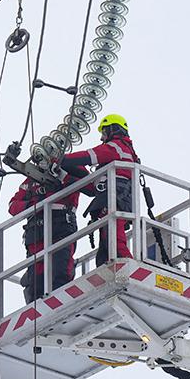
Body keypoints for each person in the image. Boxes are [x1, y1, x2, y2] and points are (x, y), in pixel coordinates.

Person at [58, 114, 139, 266]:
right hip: (112, 200)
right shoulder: (118, 156)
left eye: (103, 133)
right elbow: (91, 189)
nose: (102, 138)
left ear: (112, 129)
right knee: (107, 246)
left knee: (115, 240)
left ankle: (128, 266)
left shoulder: (116, 147)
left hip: (117, 200)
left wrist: (62, 159)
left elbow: (88, 156)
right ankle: (108, 266)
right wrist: (65, 176)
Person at [8, 175, 79, 302]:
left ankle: (61, 301)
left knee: (60, 271)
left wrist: (62, 173)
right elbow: (13, 206)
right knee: (36, 281)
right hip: (35, 235)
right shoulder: (30, 180)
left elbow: (85, 184)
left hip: (60, 228)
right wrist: (34, 204)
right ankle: (36, 304)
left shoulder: (68, 170)